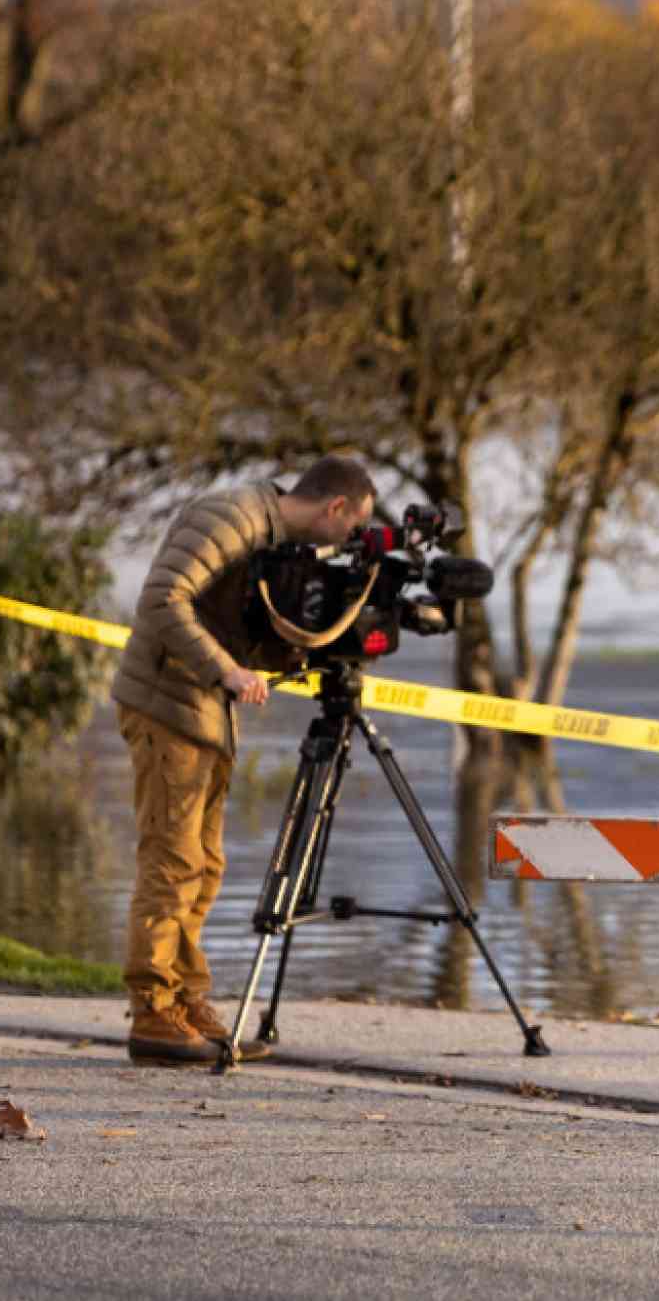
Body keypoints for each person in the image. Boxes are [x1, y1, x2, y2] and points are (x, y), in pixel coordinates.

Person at [109, 455, 377, 1065]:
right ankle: (153, 1012)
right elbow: (161, 600)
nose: (346, 542)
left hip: (204, 712)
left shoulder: (271, 539)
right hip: (167, 705)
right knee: (172, 861)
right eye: (350, 527)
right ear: (334, 507)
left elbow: (235, 619)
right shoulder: (229, 517)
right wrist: (226, 671)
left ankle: (185, 1002)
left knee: (203, 865)